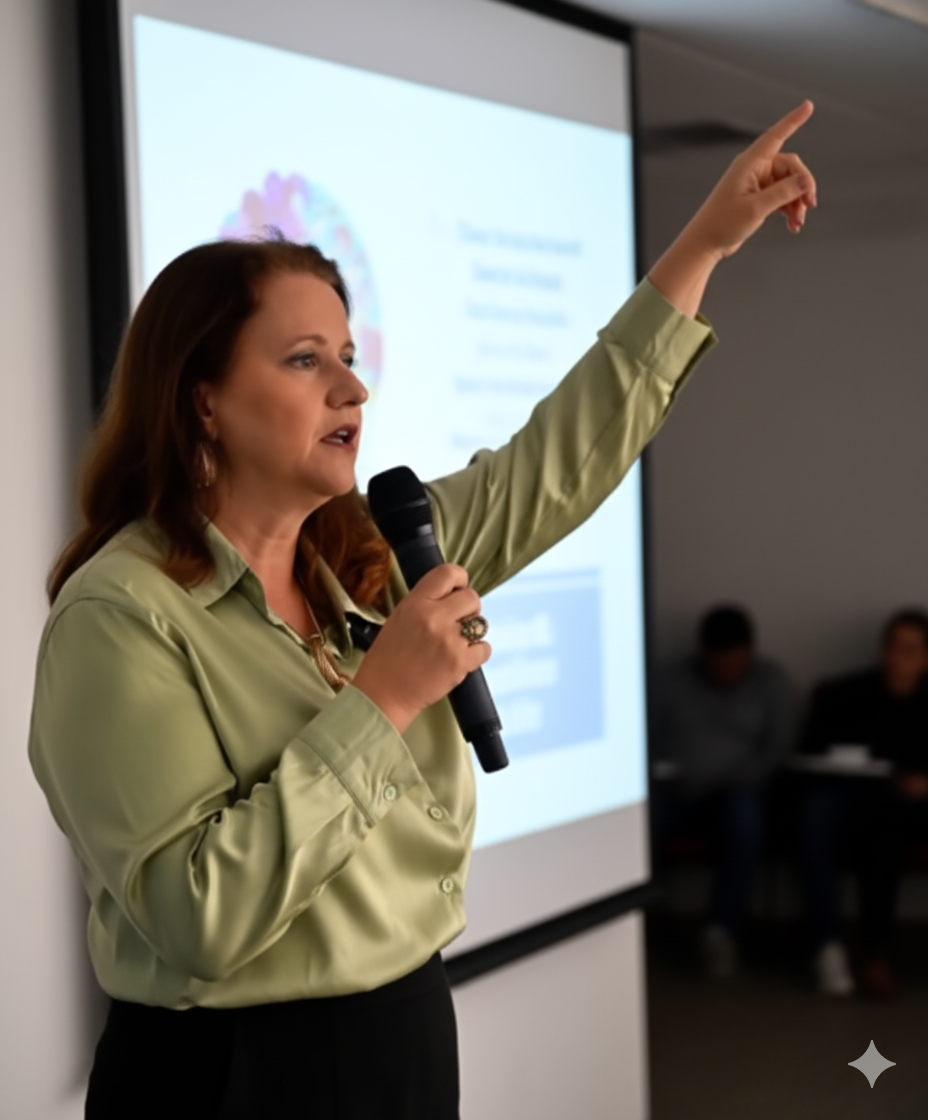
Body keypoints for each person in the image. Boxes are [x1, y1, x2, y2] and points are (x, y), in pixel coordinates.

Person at [28, 102, 818, 1118]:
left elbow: (560, 457)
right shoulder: (122, 613)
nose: (353, 387)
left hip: (400, 1029)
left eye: (350, 355)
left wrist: (706, 239)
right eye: (306, 358)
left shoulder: (377, 552)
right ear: (202, 399)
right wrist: (382, 703)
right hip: (230, 1072)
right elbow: (197, 918)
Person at [650, 605, 798, 977]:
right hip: (676, 790)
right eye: (718, 663)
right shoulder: (669, 681)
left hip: (738, 791)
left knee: (745, 819)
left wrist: (730, 777)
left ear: (749, 653)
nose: (726, 672)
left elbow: (778, 750)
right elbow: (644, 740)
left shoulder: (772, 682)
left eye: (735, 663)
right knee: (639, 821)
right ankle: (650, 921)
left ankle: (721, 931)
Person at [797, 608, 928, 999]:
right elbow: (812, 751)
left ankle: (877, 956)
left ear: (924, 658)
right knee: (812, 816)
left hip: (911, 803)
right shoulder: (847, 693)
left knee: (884, 829)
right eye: (891, 647)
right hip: (851, 794)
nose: (896, 658)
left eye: (908, 650)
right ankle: (829, 946)